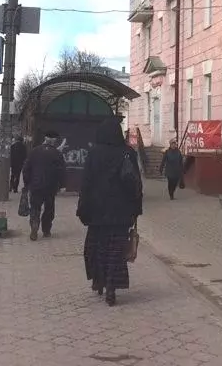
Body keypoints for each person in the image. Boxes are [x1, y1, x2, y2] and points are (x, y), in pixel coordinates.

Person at [77, 121, 143, 307]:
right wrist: (136, 209)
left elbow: (86, 183)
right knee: (115, 250)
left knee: (96, 248)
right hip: (121, 213)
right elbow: (136, 184)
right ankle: (112, 287)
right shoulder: (128, 153)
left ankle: (98, 280)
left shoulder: (94, 154)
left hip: (97, 213)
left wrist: (83, 208)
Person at [22, 131, 67, 240]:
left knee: (35, 207)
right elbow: (61, 171)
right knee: (49, 208)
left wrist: (27, 183)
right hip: (50, 186)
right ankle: (46, 230)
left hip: (36, 185)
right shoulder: (57, 153)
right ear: (53, 141)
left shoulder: (34, 151)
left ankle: (34, 225)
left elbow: (26, 168)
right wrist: (62, 185)